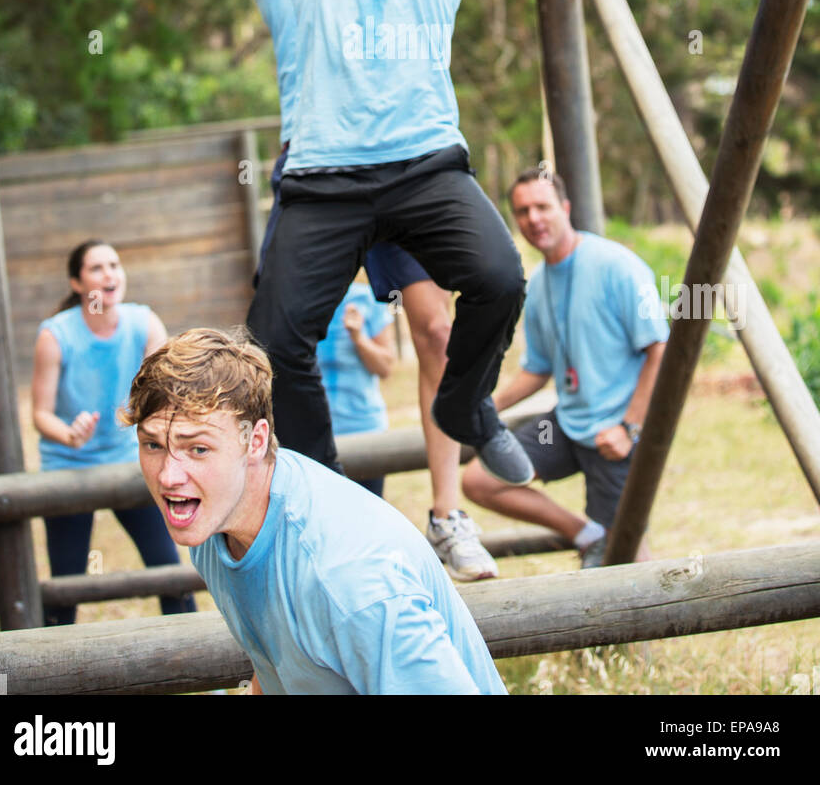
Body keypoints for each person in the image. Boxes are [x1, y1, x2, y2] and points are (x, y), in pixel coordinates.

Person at [245, 0, 530, 490]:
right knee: (273, 341)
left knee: (501, 278)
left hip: (424, 168)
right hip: (324, 182)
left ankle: (467, 406)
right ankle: (325, 485)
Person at [127, 328, 507, 696]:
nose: (168, 476)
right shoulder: (215, 519)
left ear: (255, 442)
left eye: (198, 449)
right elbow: (278, 660)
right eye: (153, 445)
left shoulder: (348, 581)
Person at [462, 170, 669, 568]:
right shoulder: (536, 285)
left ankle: (654, 619)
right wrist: (484, 404)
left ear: (566, 208)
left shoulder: (615, 265)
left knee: (624, 552)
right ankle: (583, 533)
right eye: (523, 211)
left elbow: (660, 349)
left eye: (543, 206)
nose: (534, 219)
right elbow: (538, 370)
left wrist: (629, 427)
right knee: (480, 480)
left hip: (618, 429)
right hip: (566, 424)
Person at [31, 240, 196, 625]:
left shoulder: (144, 323)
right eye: (96, 268)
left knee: (168, 570)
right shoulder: (55, 335)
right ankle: (48, 668)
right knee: (66, 583)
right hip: (68, 465)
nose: (110, 274)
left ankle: (205, 675)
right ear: (76, 282)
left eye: (114, 265)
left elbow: (164, 395)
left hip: (128, 463)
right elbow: (40, 414)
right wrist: (69, 434)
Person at [316, 277, 395, 498]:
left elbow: (386, 367)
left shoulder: (367, 298)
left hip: (365, 428)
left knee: (370, 521)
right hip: (319, 434)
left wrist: (359, 338)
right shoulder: (304, 301)